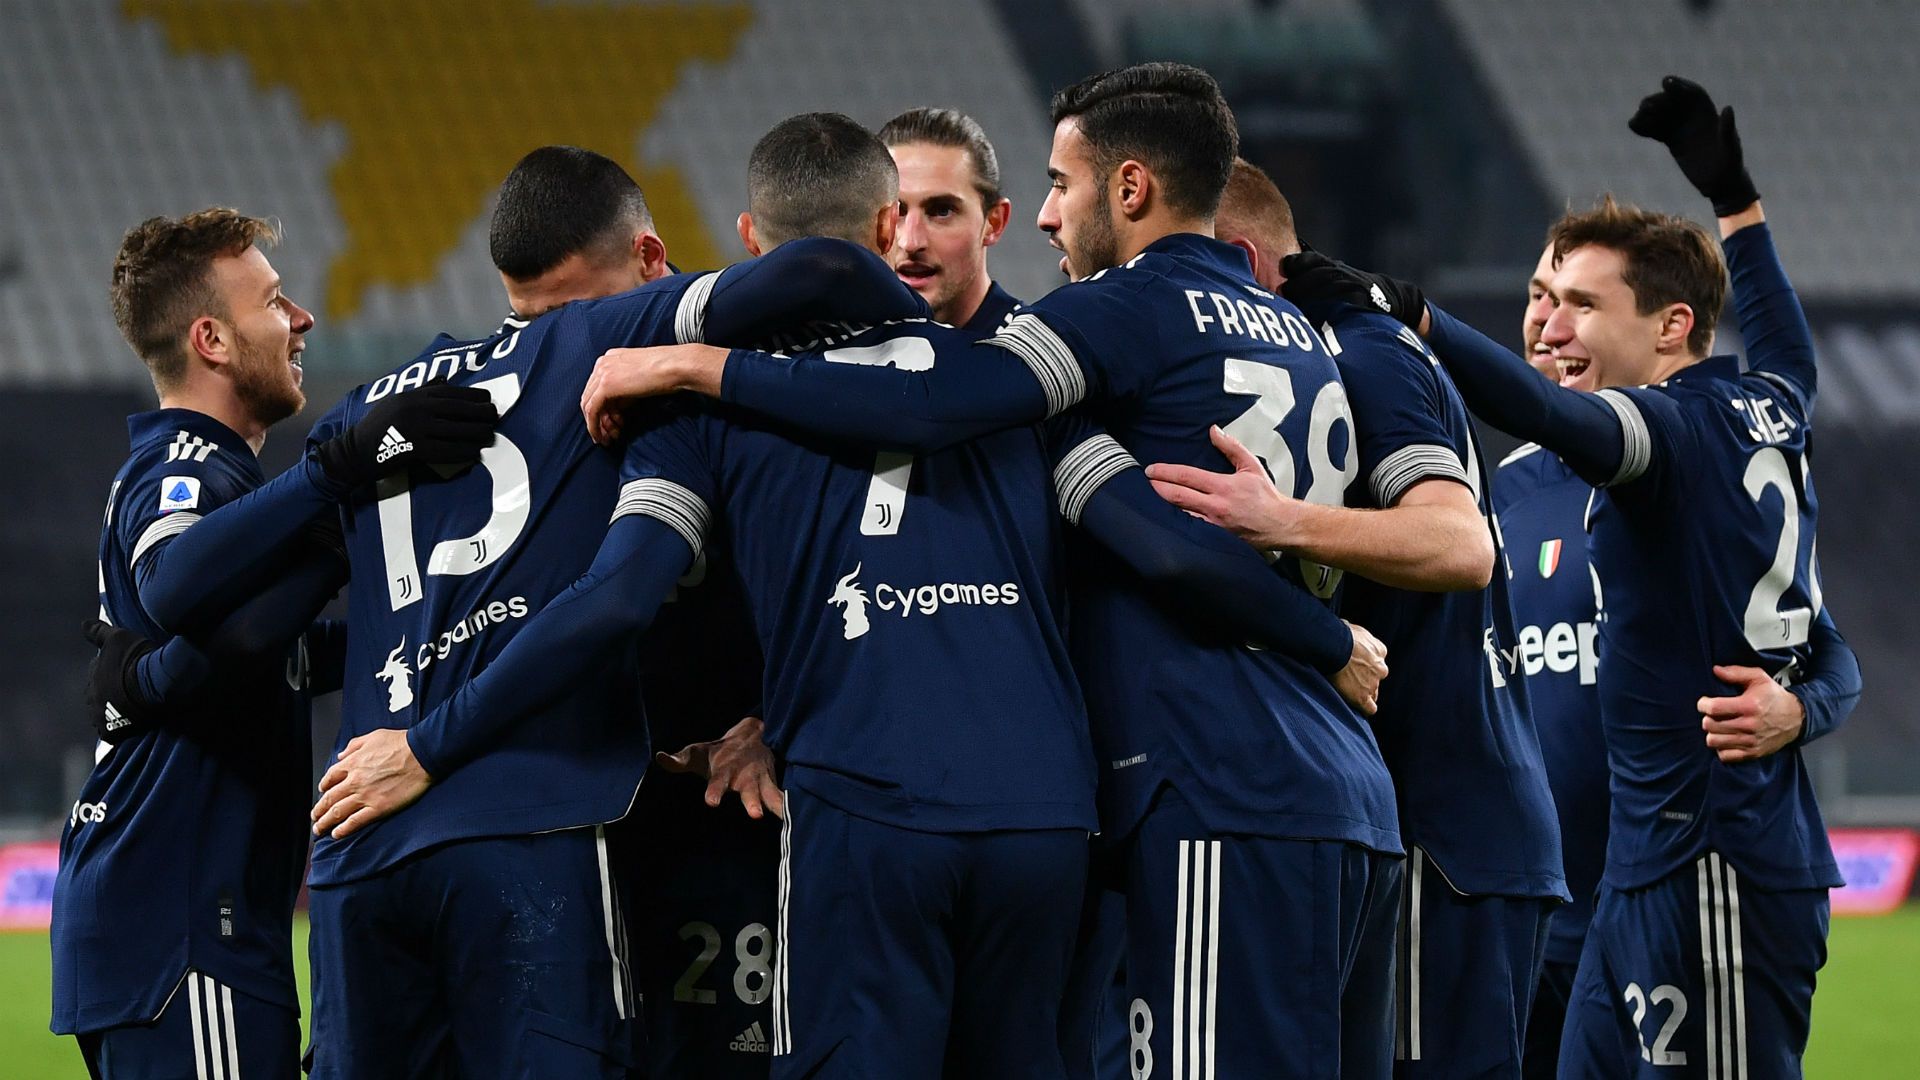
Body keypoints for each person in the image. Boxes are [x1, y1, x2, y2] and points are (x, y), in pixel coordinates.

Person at [584, 64, 1405, 1078]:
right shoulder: (1165, 367)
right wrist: (1327, 638)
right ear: (887, 227)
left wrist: (692, 362)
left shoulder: (1061, 346)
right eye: (910, 213)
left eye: (1053, 189)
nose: (1054, 218)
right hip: (1130, 804)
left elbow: (630, 594)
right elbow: (1150, 533)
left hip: (1057, 790)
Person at [127, 145, 916, 1078]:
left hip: (358, 847)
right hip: (523, 822)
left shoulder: (388, 397)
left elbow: (198, 599)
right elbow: (822, 269)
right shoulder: (598, 337)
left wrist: (145, 674)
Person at [1285, 75, 1859, 1079]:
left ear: (1671, 328)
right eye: (1540, 298)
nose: (1549, 324)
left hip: (1705, 857)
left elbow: (1556, 413)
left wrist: (1414, 317)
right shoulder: (1768, 406)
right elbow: (1779, 335)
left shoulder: (1666, 434)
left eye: (1581, 304)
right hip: (1593, 883)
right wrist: (1738, 203)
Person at [51, 208, 495, 1079]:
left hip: (171, 919)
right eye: (275, 300)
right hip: (184, 920)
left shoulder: (222, 482)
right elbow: (174, 581)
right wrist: (335, 483)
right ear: (211, 338)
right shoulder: (185, 461)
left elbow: (262, 651)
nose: (303, 320)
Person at [1155, 157, 1567, 1076]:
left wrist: (1283, 521)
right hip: (1437, 823)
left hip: (1447, 834)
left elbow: (1460, 546)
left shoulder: (1361, 352)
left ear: (1246, 264)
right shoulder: (1345, 351)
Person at [877, 107, 1019, 333]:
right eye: (896, 212)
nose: (911, 243)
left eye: (942, 211)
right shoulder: (832, 353)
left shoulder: (1035, 359)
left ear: (994, 222)